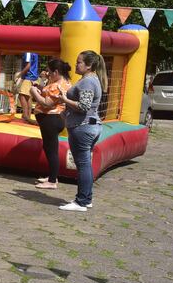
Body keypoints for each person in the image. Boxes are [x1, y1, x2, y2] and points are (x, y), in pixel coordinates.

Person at [57, 50, 108, 212]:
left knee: (83, 164)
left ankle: (82, 201)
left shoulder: (87, 82)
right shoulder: (91, 80)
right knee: (85, 164)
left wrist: (64, 99)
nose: (76, 64)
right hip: (89, 126)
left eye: (79, 62)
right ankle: (86, 198)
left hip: (83, 127)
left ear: (89, 66)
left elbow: (84, 106)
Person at [29, 58, 72, 190]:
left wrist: (34, 92)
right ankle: (52, 176)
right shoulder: (65, 83)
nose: (47, 74)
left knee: (51, 150)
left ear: (56, 72)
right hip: (54, 119)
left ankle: (52, 180)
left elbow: (47, 103)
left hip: (51, 119)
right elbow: (51, 96)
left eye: (49, 72)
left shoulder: (56, 86)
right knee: (49, 148)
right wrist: (41, 88)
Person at [15, 51, 40, 123]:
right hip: (33, 78)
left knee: (22, 96)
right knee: (28, 97)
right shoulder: (34, 52)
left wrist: (19, 75)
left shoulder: (28, 52)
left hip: (28, 77)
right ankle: (28, 116)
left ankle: (25, 116)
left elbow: (28, 66)